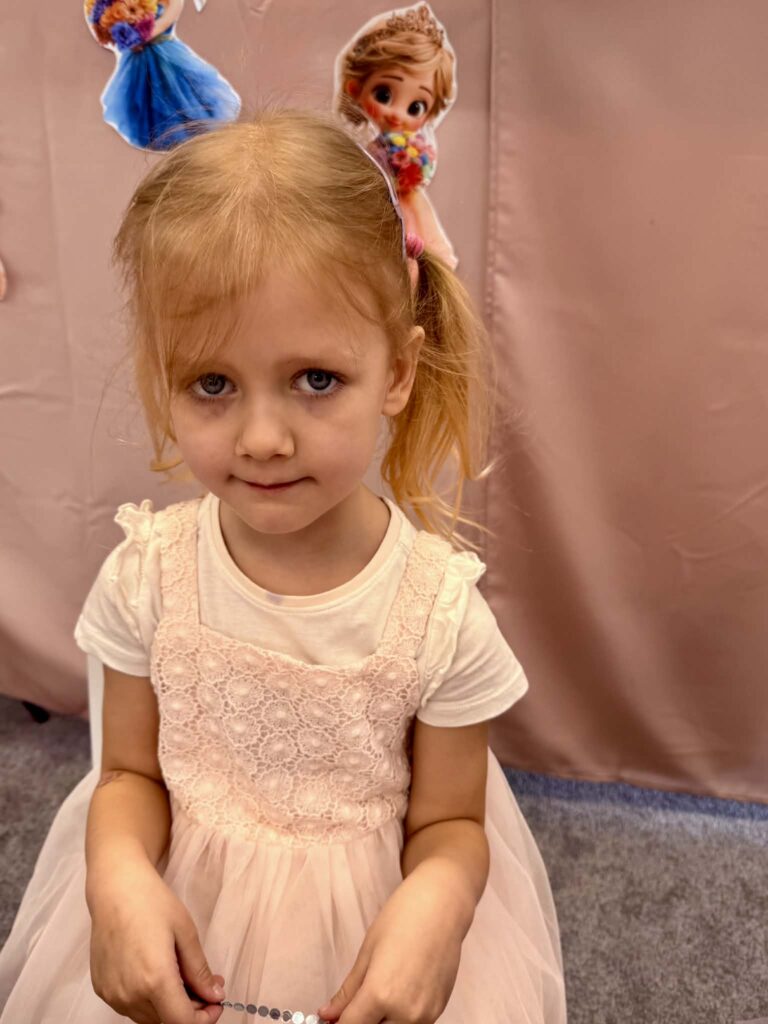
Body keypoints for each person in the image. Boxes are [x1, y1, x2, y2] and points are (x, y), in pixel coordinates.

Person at [0, 109, 566, 1024]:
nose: (263, 438)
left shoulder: (439, 617)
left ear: (397, 372)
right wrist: (116, 874)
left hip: (366, 939)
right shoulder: (146, 578)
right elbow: (129, 777)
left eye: (315, 380)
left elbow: (452, 824)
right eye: (212, 385)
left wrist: (440, 902)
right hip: (186, 918)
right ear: (162, 380)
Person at [335, 3, 458, 268]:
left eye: (415, 107)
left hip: (409, 211)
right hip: (370, 212)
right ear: (356, 89)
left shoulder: (413, 154)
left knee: (418, 263)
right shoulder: (359, 151)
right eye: (384, 95)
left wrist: (409, 173)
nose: (397, 115)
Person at [85, 0, 241, 150]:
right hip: (136, 59)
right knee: (139, 98)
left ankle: (186, 133)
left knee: (176, 95)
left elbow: (164, 22)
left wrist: (136, 38)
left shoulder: (175, 1)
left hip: (166, 54)